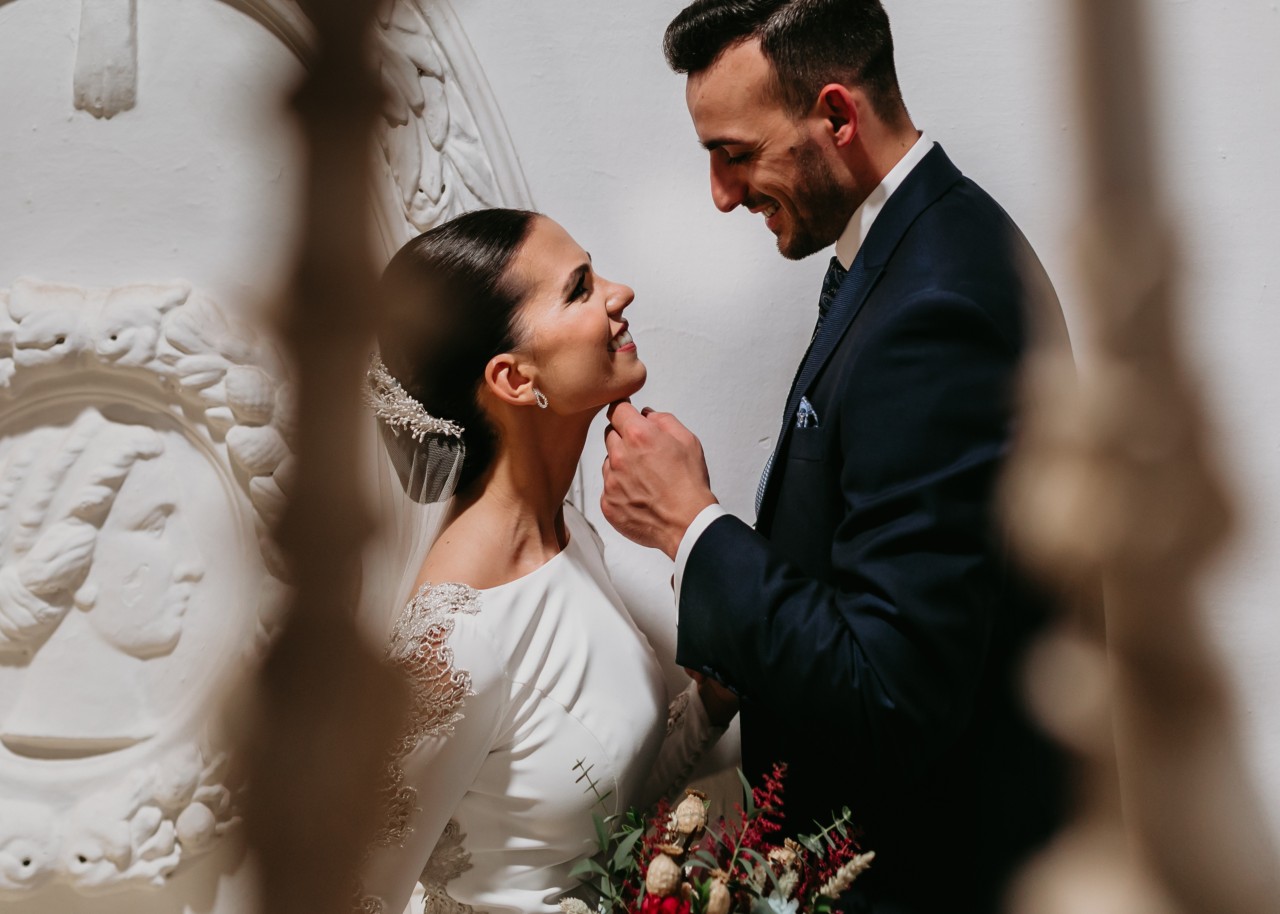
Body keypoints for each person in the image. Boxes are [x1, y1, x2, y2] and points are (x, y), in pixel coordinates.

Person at [600, 2, 1069, 911]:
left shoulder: (934, 305)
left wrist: (693, 529)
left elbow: (894, 693)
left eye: (736, 152)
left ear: (837, 118)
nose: (721, 192)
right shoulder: (904, 246)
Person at [356, 209, 725, 914]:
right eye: (582, 288)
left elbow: (600, 806)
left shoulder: (571, 536)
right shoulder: (450, 642)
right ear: (515, 378)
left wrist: (709, 706)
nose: (621, 294)